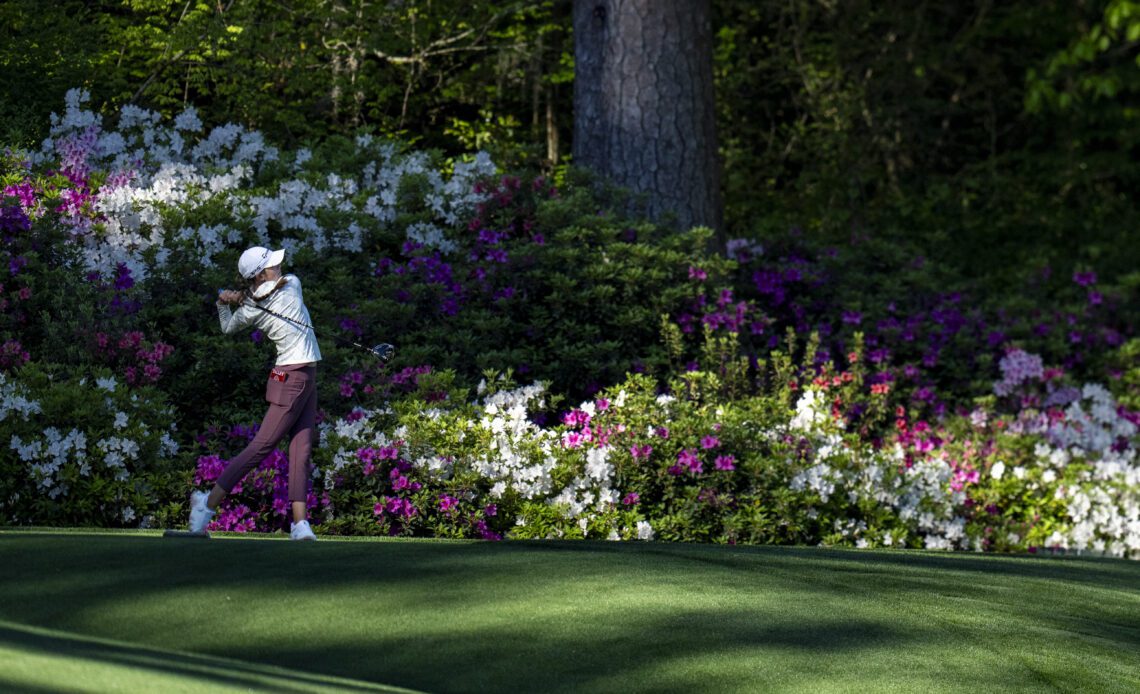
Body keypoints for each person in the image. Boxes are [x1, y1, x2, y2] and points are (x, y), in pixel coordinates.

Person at [187, 246, 322, 540]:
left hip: (305, 375)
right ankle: (205, 507)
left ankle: (300, 525)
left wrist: (233, 299)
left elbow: (246, 307)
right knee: (261, 447)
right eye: (272, 265)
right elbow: (228, 327)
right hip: (292, 377)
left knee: (301, 448)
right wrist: (230, 301)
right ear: (261, 273)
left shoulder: (286, 287)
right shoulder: (265, 299)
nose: (280, 267)